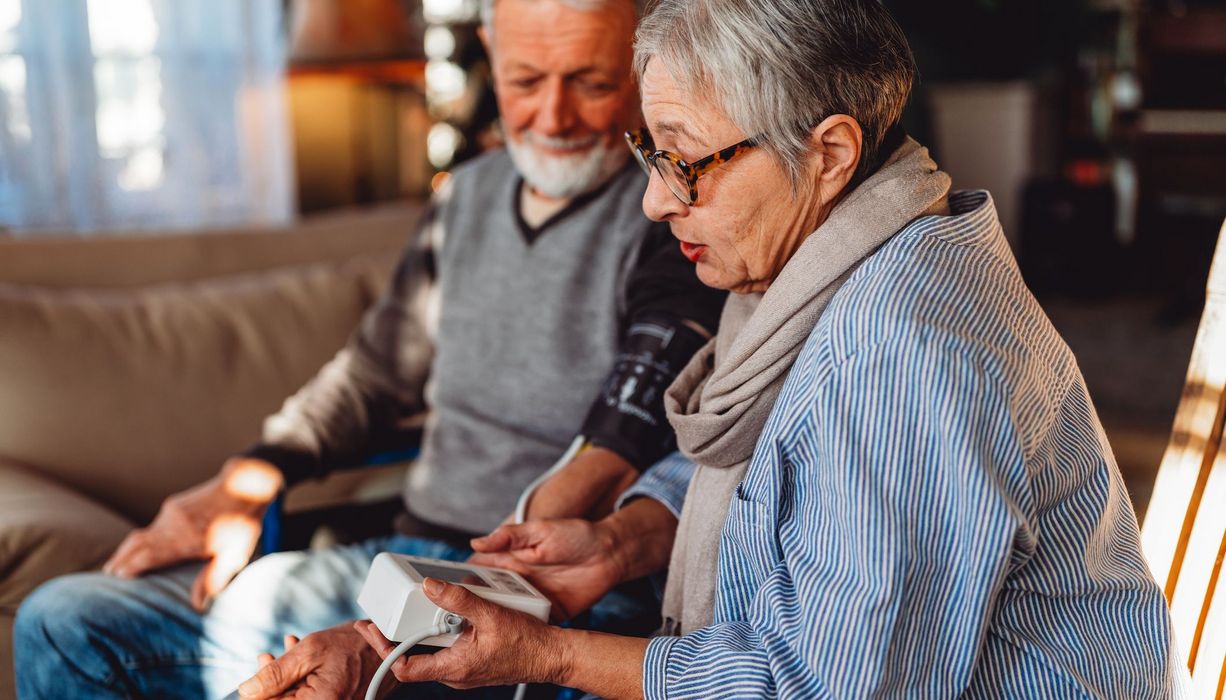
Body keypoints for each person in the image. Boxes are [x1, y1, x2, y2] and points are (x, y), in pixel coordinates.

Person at [337, 0, 1191, 697]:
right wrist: (624, 542)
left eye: (685, 163)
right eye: (651, 153)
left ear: (827, 154)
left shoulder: (902, 352)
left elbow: (830, 690)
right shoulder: (831, 264)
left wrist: (549, 655)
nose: (654, 203)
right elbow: (776, 465)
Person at [13, 0, 726, 697]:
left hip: (558, 594)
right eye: (525, 79)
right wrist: (246, 480)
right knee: (64, 623)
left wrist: (391, 631)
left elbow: (636, 408)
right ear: (489, 47)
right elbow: (371, 377)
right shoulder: (465, 199)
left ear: (641, 65)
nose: (553, 116)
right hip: (399, 560)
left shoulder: (673, 208)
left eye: (591, 82)